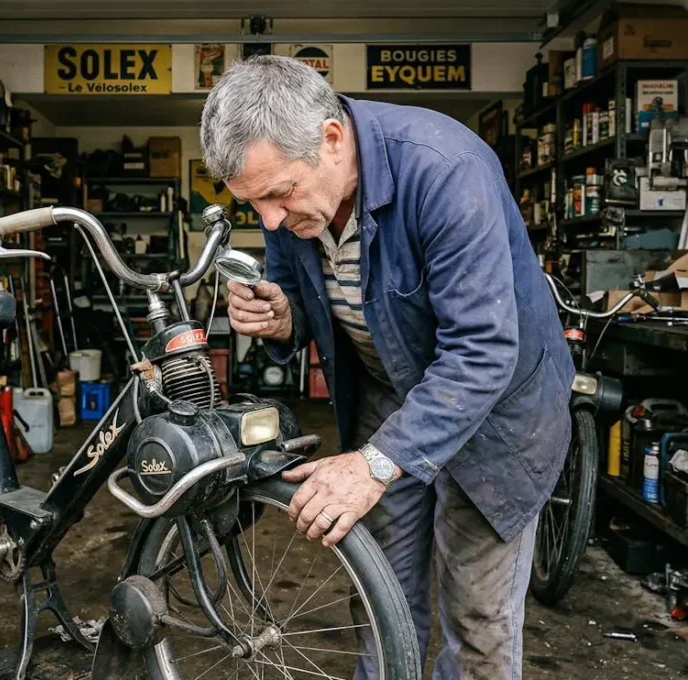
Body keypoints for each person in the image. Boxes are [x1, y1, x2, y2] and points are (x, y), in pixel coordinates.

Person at [200, 55, 574, 680]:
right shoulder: (291, 200)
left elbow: (482, 350)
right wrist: (283, 318)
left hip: (496, 414)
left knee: (477, 619)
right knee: (380, 598)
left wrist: (374, 464)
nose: (269, 220)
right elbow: (303, 298)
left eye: (278, 193)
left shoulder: (445, 169)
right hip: (387, 392)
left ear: (331, 139)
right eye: (252, 202)